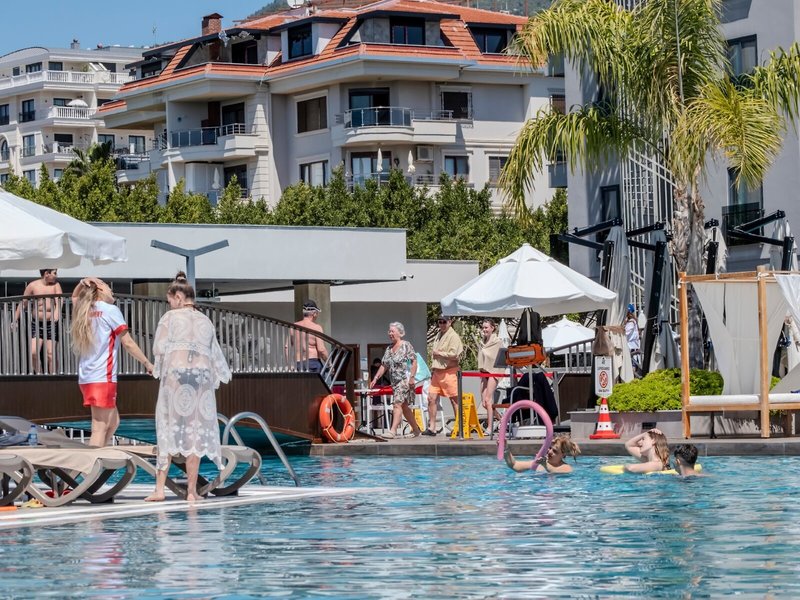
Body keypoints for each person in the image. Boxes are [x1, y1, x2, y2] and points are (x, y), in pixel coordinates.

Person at [146, 272, 232, 503]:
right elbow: (215, 356)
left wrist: (158, 366)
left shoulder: (170, 318)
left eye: (170, 300)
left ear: (178, 297)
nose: (170, 305)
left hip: (176, 377)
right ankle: (192, 492)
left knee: (166, 428)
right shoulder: (205, 321)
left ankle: (160, 489)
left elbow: (159, 348)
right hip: (200, 380)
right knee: (195, 433)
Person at [70, 277, 153, 448]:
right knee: (99, 427)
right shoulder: (110, 310)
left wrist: (82, 282)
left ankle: (99, 453)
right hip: (103, 376)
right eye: (108, 287)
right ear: (100, 289)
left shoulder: (85, 309)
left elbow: (74, 297)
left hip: (87, 376)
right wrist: (147, 363)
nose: (112, 291)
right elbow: (128, 343)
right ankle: (92, 461)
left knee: (114, 422)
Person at [368, 322, 422, 439]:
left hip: (404, 380)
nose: (390, 333)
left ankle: (392, 431)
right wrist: (375, 378)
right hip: (395, 383)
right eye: (389, 331)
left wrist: (412, 378)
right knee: (404, 407)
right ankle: (416, 430)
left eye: (392, 331)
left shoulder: (406, 345)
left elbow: (414, 361)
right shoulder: (389, 349)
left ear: (400, 333)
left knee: (397, 404)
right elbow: (384, 365)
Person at [12, 269, 63, 374]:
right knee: (33, 353)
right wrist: (15, 319)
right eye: (54, 273)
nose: (56, 276)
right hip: (37, 324)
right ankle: (40, 375)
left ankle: (53, 378)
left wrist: (57, 311)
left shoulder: (56, 285)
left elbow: (59, 299)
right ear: (46, 273)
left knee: (51, 354)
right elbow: (23, 303)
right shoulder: (33, 285)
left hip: (51, 323)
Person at [423, 315, 464, 436]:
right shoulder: (438, 334)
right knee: (431, 398)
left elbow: (455, 355)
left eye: (444, 322)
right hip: (437, 371)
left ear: (449, 322)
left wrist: (439, 353)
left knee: (454, 400)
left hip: (449, 371)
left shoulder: (453, 336)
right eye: (439, 322)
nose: (441, 324)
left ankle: (458, 428)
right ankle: (432, 427)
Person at [286, 300, 329, 373]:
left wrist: (289, 365)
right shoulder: (316, 327)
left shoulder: (293, 327)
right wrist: (329, 364)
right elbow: (321, 349)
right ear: (314, 314)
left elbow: (287, 347)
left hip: (298, 364)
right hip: (312, 363)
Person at [504, 434, 581, 473]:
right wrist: (506, 449)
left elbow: (554, 472)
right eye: (550, 448)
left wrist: (545, 465)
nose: (550, 452)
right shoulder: (540, 463)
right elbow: (514, 465)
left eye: (555, 451)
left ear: (563, 455)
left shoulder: (566, 468)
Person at [477, 319, 504, 428]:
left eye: (486, 327)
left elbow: (501, 358)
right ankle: (502, 419)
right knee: (484, 403)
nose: (484, 330)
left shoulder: (497, 342)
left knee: (488, 400)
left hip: (493, 372)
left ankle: (490, 427)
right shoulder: (482, 342)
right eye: (483, 327)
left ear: (492, 328)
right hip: (484, 372)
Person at [625, 303, 642, 373]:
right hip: (632, 347)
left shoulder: (631, 322)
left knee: (632, 369)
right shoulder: (632, 321)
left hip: (631, 348)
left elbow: (626, 333)